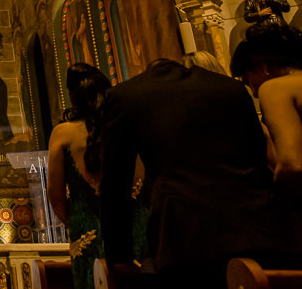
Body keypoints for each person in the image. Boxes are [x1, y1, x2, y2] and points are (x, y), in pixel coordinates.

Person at [100, 57, 300, 286]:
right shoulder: (231, 87)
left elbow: (115, 184)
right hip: (260, 227)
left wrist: (119, 256)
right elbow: (256, 155)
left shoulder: (126, 95)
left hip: (185, 236)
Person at [46, 64, 110, 289]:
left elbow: (55, 196)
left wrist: (77, 219)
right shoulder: (122, 126)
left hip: (85, 226)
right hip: (130, 222)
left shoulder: (63, 133)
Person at [231, 26, 302, 199]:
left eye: (247, 80)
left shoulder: (275, 88)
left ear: (264, 67)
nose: (254, 92)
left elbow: (291, 165)